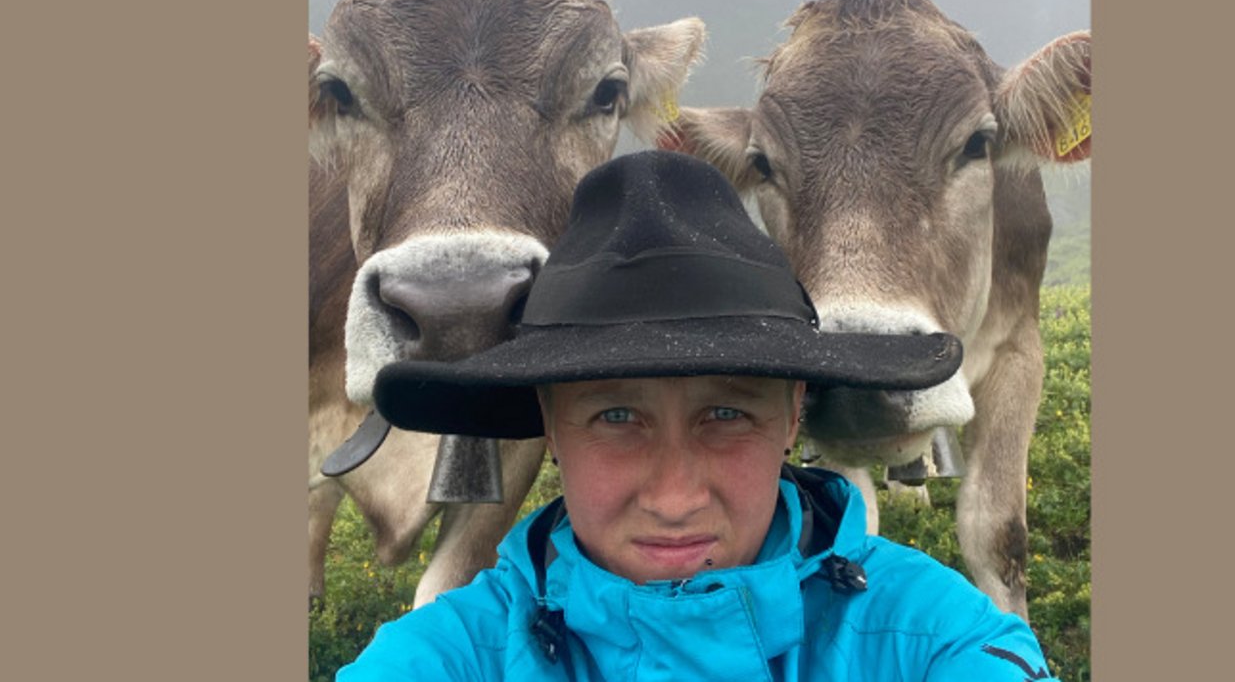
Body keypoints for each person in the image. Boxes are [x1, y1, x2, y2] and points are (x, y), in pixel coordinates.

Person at [338, 151, 1059, 681]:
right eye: (617, 415)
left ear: (791, 413)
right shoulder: (444, 657)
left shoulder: (931, 636)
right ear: (550, 425)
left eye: (726, 413)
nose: (675, 496)